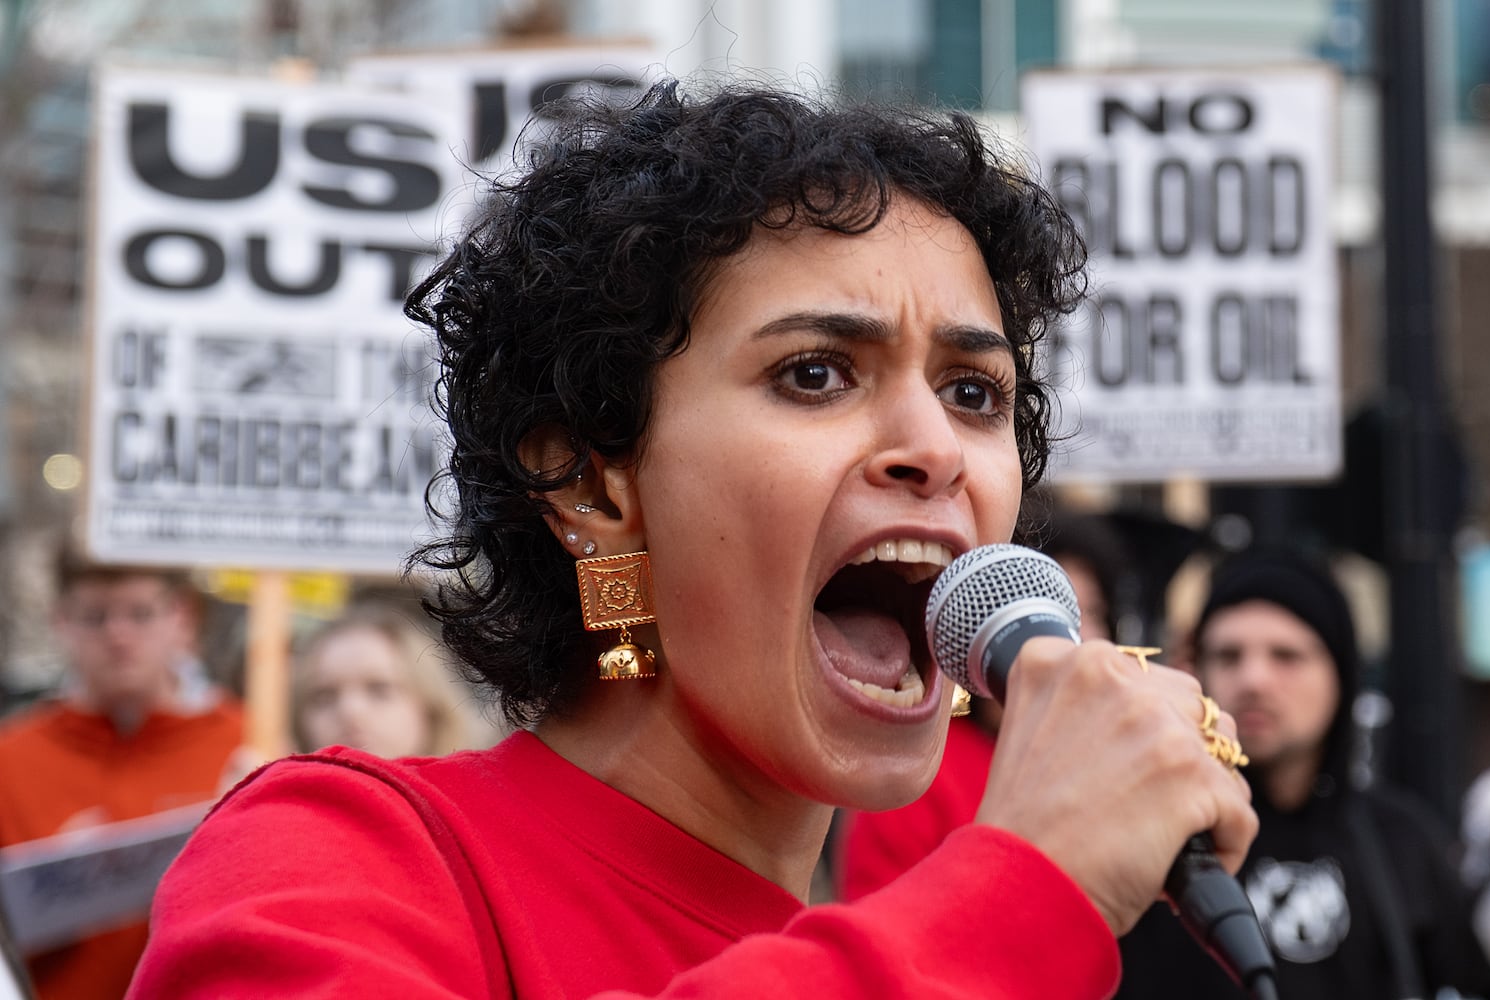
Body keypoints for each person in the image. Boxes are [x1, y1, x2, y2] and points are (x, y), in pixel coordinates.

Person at [126, 79, 1255, 999]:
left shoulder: (911, 939)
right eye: (815, 373)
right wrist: (1027, 889)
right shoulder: (339, 858)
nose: (936, 448)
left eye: (975, 392)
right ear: (591, 482)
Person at [1113, 546, 1490, 999]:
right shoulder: (1157, 841)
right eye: (1229, 655)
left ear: (1341, 673)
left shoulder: (1402, 840)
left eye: (1286, 655)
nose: (1254, 679)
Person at [833, 502, 1129, 901]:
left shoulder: (1121, 754)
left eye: (1091, 609)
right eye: (1042, 607)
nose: (1075, 629)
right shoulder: (919, 773)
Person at [0, 549, 249, 1000]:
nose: (119, 636)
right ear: (62, 623)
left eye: (140, 613)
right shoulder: (10, 760)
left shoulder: (247, 743)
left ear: (181, 618)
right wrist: (52, 886)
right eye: (96, 617)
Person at [291, 602, 496, 759]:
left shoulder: (477, 809)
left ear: (431, 708)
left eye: (379, 689)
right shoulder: (278, 808)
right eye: (325, 696)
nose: (350, 710)